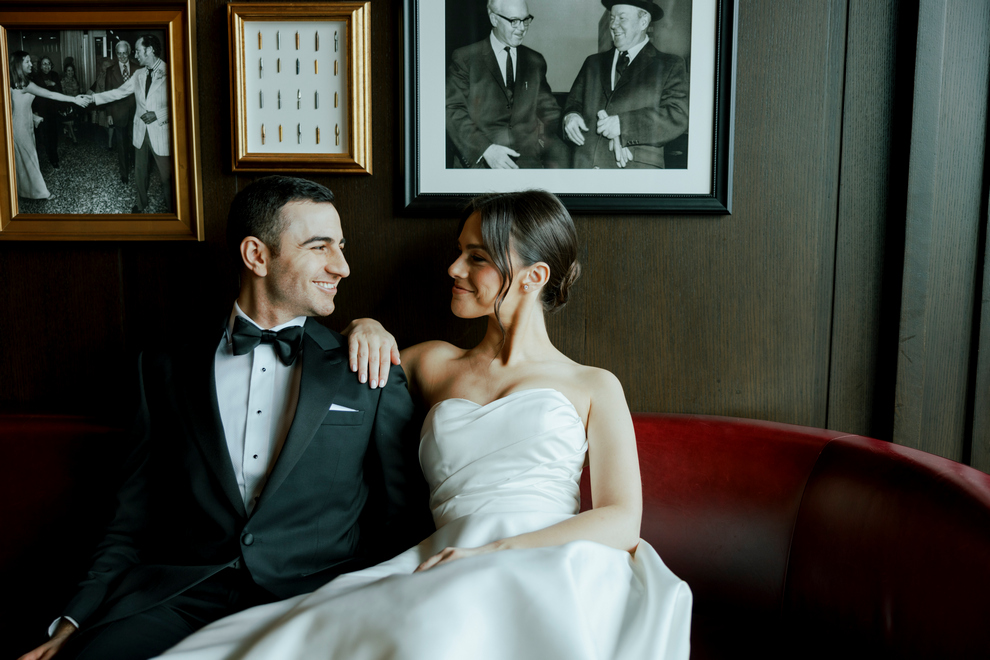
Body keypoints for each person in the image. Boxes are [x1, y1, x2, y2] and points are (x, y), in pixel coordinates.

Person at [154, 189, 693, 660]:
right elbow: (330, 378)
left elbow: (622, 520)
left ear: (534, 276)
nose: (454, 268)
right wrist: (367, 326)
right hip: (443, 556)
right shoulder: (432, 363)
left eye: (476, 257)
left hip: (555, 560)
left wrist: (495, 552)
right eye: (459, 252)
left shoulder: (594, 385)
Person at [16, 176, 427, 660]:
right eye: (320, 247)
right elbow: (130, 519)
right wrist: (73, 622)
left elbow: (402, 519)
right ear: (256, 255)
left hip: (310, 600)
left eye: (341, 246)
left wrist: (379, 609)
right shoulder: (163, 369)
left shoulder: (367, 367)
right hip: (181, 596)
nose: (342, 266)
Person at [563, 0, 689, 169]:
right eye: (612, 18)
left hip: (635, 173)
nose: (613, 25)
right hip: (584, 170)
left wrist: (623, 125)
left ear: (643, 22)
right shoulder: (592, 63)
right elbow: (572, 105)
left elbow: (677, 115)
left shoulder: (670, 65)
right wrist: (570, 116)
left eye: (622, 18)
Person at [445, 0, 566, 169]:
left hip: (527, 166)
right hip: (481, 165)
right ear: (494, 19)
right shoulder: (465, 58)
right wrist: (485, 150)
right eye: (514, 21)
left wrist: (569, 119)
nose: (522, 28)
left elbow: (550, 111)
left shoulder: (535, 61)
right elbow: (452, 110)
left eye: (525, 20)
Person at [88, 34, 170, 212]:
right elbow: (118, 92)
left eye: (138, 51)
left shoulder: (170, 72)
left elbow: (180, 102)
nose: (136, 55)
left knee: (167, 176)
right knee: (140, 171)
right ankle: (141, 203)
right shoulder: (139, 74)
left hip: (161, 131)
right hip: (141, 130)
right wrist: (93, 98)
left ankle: (174, 208)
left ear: (150, 50)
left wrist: (158, 114)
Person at [8, 51, 90, 200]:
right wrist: (74, 99)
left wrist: (33, 116)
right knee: (30, 159)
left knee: (22, 159)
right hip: (21, 127)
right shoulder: (25, 84)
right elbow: (50, 94)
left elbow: (16, 106)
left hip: (22, 123)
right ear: (19, 65)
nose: (31, 64)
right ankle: (42, 193)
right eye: (27, 62)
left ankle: (23, 190)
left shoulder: (15, 82)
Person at [93, 40, 139, 183]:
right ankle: (124, 174)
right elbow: (108, 94)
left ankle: (135, 165)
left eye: (124, 53)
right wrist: (109, 114)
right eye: (119, 53)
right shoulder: (110, 71)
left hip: (136, 112)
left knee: (135, 142)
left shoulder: (138, 69)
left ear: (129, 52)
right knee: (121, 145)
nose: (122, 56)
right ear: (116, 54)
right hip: (118, 112)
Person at [31, 55, 63, 168]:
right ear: (40, 66)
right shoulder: (36, 77)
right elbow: (34, 96)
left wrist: (53, 84)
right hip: (41, 110)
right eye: (44, 64)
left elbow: (60, 91)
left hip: (53, 109)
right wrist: (35, 111)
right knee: (44, 135)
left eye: (48, 63)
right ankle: (49, 156)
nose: (47, 66)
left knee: (54, 134)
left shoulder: (55, 75)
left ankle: (54, 157)